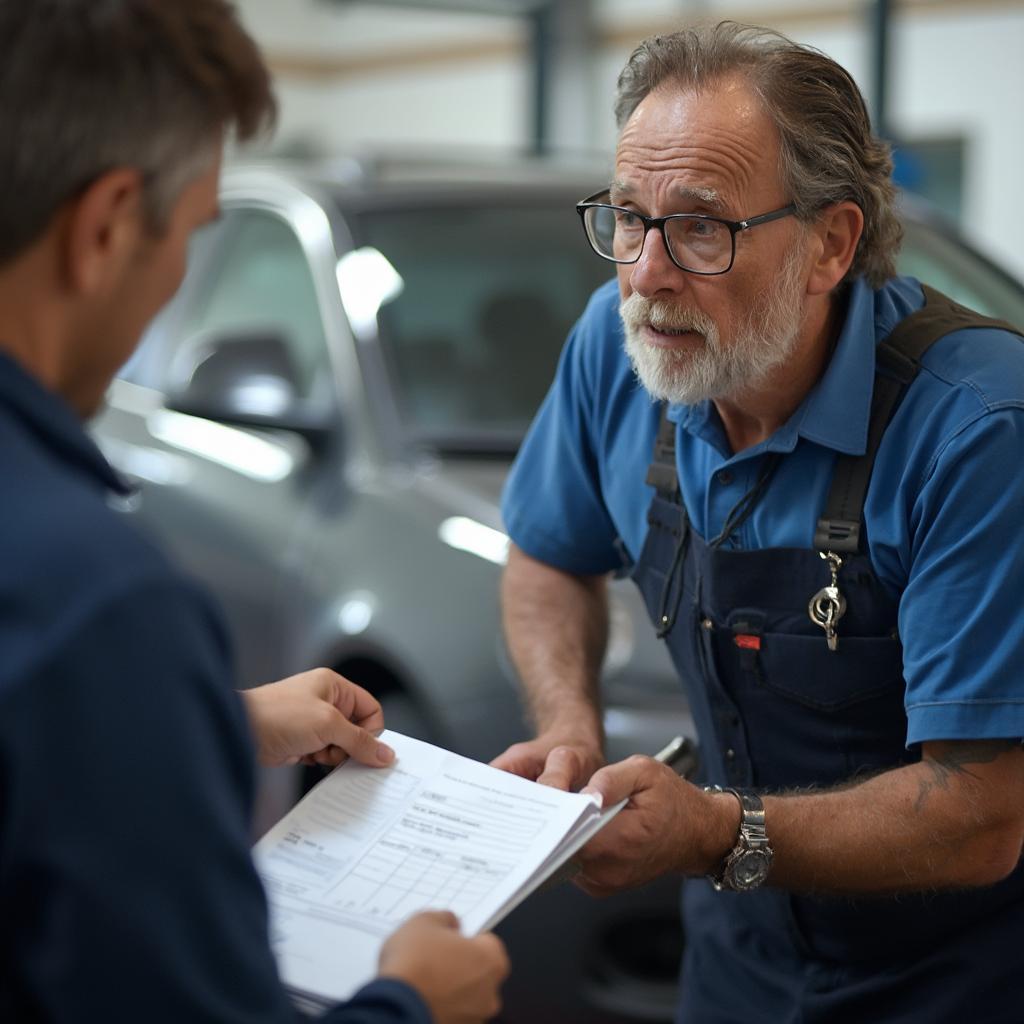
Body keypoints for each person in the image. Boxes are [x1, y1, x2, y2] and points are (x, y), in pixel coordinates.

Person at [494, 20, 1024, 1023]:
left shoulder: (978, 428)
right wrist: (568, 723)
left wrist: (706, 831)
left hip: (962, 979)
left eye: (699, 227)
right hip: (739, 961)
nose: (646, 275)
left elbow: (978, 813)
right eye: (626, 217)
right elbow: (544, 555)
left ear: (831, 243)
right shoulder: (616, 358)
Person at [0, 2, 508, 1022]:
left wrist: (210, 725)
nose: (180, 276)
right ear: (103, 229)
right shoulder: (98, 602)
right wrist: (410, 1001)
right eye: (190, 233)